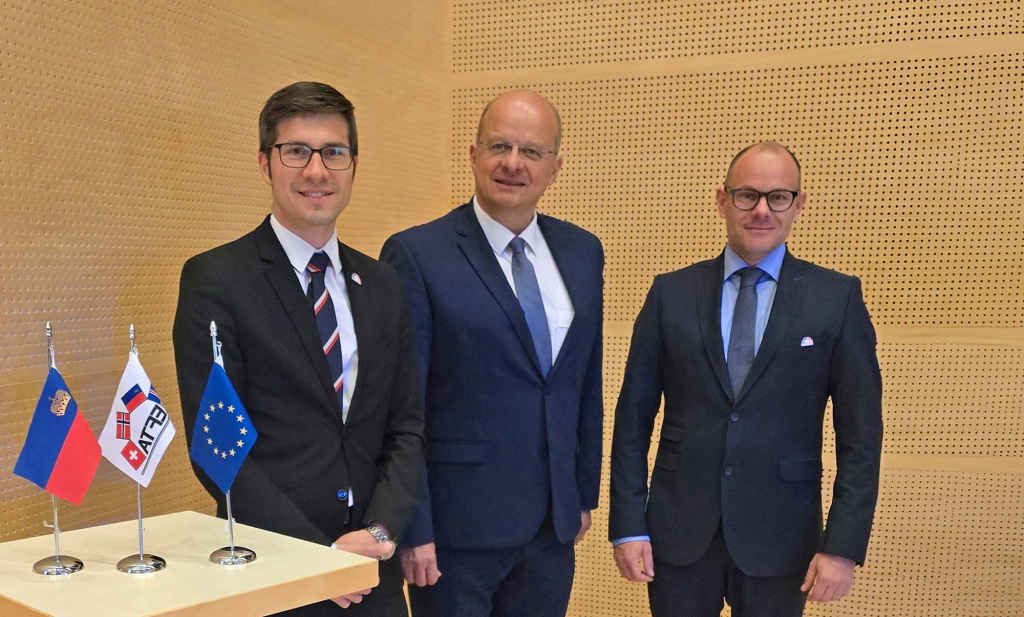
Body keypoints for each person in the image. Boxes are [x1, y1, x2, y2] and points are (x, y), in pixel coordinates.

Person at [173, 81, 424, 616]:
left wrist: (379, 533)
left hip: (371, 573)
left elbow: (406, 427)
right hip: (273, 570)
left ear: (353, 164)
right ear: (265, 164)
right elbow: (218, 450)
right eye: (296, 152)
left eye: (334, 152)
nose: (317, 171)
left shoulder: (381, 284)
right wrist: (315, 558)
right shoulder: (216, 280)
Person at [609, 141, 883, 617]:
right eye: (747, 195)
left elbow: (861, 437)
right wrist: (629, 525)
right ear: (722, 200)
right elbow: (632, 420)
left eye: (778, 197)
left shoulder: (835, 299)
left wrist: (842, 545)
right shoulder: (670, 293)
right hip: (677, 534)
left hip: (783, 537)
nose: (761, 210)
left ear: (799, 204)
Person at [380, 90, 604, 617]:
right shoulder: (417, 254)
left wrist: (581, 493)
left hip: (552, 528)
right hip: (456, 537)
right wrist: (416, 528)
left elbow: (584, 381)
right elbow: (402, 405)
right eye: (499, 145)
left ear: (555, 167)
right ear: (474, 154)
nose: (513, 163)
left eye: (532, 151)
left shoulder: (583, 251)